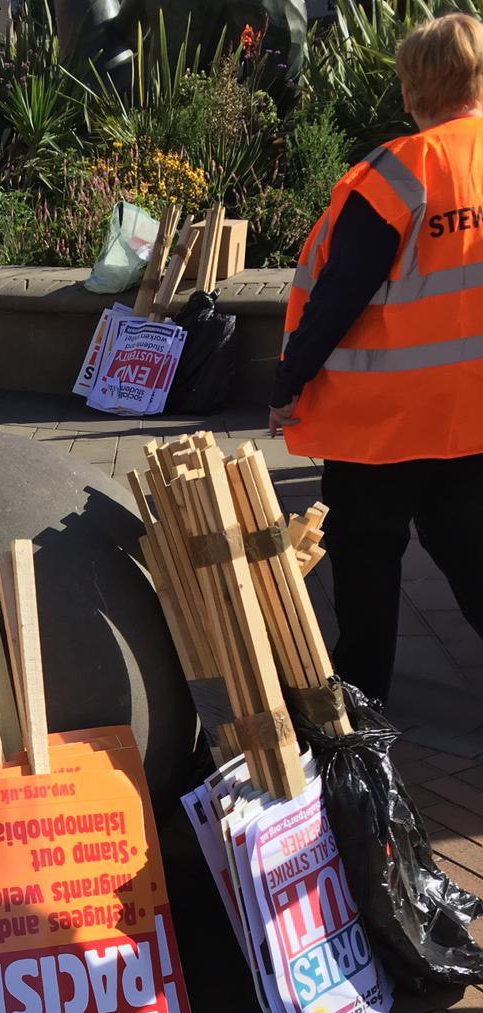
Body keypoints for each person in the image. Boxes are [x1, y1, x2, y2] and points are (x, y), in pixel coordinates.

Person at [271, 12, 483, 705]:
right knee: (474, 561)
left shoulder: (400, 173)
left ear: (412, 89)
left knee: (365, 572)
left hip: (381, 428)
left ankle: (362, 714)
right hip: (474, 424)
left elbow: (339, 296)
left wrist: (288, 380)